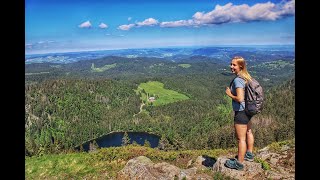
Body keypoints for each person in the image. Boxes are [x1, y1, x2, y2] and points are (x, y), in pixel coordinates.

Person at [224, 56, 255, 170]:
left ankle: (239, 163)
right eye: (231, 64)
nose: (231, 67)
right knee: (249, 131)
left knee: (241, 139)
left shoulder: (238, 80)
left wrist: (229, 94)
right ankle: (249, 154)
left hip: (241, 111)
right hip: (248, 110)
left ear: (240, 66)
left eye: (234, 65)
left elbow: (240, 98)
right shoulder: (246, 76)